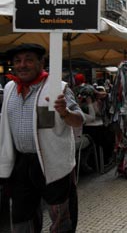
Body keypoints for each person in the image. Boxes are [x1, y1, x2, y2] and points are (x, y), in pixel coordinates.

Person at [0, 43, 84, 232]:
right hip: (20, 162)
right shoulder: (9, 89)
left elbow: (79, 120)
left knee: (61, 216)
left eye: (29, 60)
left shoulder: (58, 87)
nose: (22, 65)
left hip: (52, 162)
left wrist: (65, 113)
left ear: (41, 62)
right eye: (17, 61)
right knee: (22, 216)